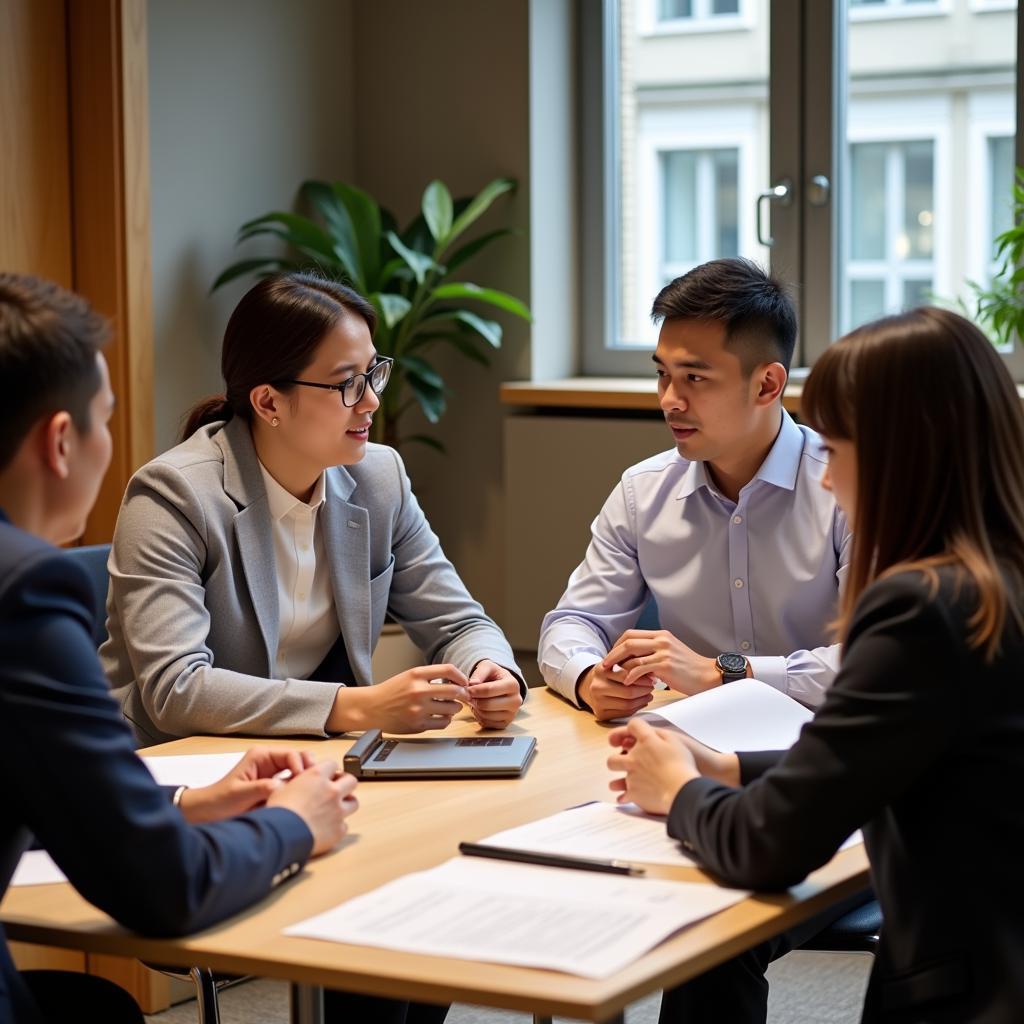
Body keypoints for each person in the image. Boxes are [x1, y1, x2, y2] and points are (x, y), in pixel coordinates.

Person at [608, 307, 1024, 1023]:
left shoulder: (921, 611)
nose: (825, 481)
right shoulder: (996, 581)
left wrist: (678, 790)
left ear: (901, 453)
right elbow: (904, 751)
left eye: (833, 448)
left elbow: (769, 845)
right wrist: (732, 769)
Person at [0, 273, 355, 1024]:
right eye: (105, 419)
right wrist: (296, 820)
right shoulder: (25, 593)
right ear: (61, 442)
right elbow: (164, 888)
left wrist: (181, 803)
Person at [102, 272, 524, 745]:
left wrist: (490, 667)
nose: (370, 401)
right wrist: (360, 705)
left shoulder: (379, 480)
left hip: (310, 754)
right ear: (268, 402)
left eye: (373, 374)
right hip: (177, 764)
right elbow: (176, 688)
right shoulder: (172, 496)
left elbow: (459, 622)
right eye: (347, 383)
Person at [539, 258, 850, 721]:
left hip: (828, 744)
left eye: (694, 378)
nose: (669, 400)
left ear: (767, 384)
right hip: (690, 743)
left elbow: (879, 659)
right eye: (663, 374)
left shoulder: (847, 488)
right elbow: (573, 623)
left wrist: (729, 673)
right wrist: (588, 678)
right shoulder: (642, 493)